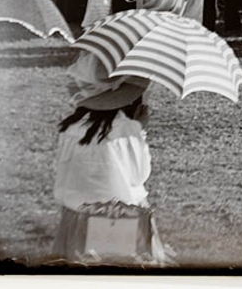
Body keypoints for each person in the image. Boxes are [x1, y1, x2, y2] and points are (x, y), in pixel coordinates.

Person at [53, 54, 163, 264]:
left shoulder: (71, 127)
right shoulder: (125, 129)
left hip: (76, 216)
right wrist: (139, 132)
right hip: (118, 217)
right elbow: (139, 175)